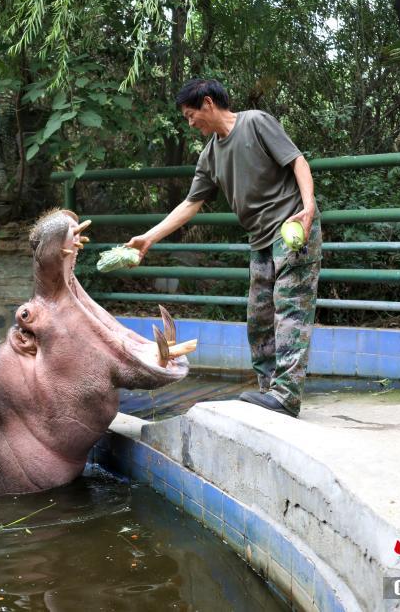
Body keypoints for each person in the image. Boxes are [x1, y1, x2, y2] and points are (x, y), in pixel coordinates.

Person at [125, 78, 321, 418]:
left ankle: (287, 396)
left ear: (208, 103)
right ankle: (269, 390)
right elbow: (191, 204)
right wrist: (150, 237)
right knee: (259, 319)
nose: (190, 123)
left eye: (191, 115)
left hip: (292, 226)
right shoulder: (210, 155)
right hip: (260, 239)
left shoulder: (256, 123)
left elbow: (297, 161)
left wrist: (308, 208)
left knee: (290, 312)